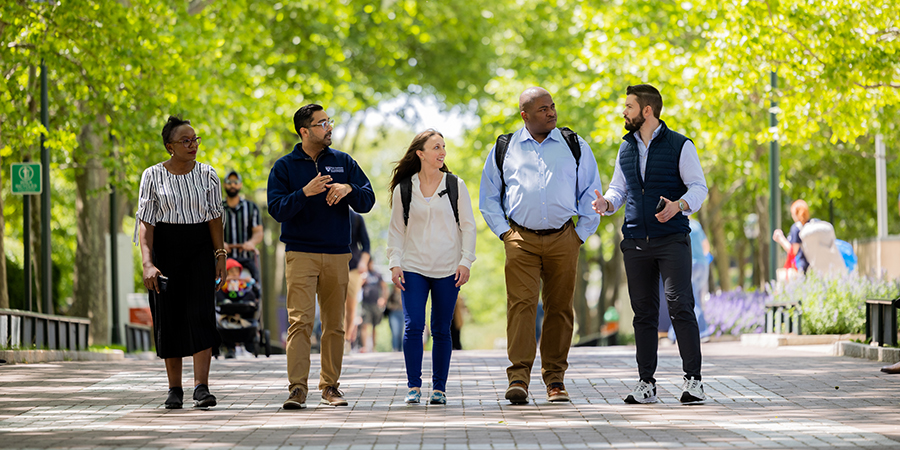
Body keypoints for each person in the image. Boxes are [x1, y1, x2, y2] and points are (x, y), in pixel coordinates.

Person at [480, 87, 602, 404]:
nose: (551, 112)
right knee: (520, 307)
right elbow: (489, 197)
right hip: (520, 239)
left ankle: (555, 380)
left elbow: (592, 192)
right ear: (525, 115)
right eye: (543, 109)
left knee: (560, 309)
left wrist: (581, 234)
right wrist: (505, 234)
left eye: (552, 106)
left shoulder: (574, 145)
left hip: (565, 238)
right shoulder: (504, 148)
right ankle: (518, 378)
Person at [592, 84, 709, 404]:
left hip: (671, 238)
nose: (623, 112)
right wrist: (608, 204)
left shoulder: (680, 145)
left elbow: (699, 188)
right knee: (643, 313)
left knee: (679, 305)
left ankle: (693, 381)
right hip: (635, 240)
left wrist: (679, 205)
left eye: (629, 106)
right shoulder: (626, 147)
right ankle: (646, 384)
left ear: (647, 110)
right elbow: (619, 189)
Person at [267, 104, 375, 410]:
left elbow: (368, 199)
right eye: (321, 123)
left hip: (338, 254)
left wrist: (348, 188)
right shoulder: (284, 167)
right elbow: (277, 209)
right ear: (305, 131)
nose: (329, 127)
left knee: (334, 324)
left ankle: (330, 387)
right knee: (299, 322)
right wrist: (305, 192)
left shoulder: (343, 161)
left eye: (328, 121)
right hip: (300, 253)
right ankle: (297, 389)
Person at [135, 115, 225, 409]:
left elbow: (214, 217)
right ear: (169, 146)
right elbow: (145, 223)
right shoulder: (151, 176)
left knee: (201, 314)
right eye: (185, 141)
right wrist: (148, 263)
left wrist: (220, 255)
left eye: (195, 139)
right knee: (168, 315)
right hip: (165, 248)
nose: (192, 145)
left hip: (199, 247)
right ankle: (175, 389)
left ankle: (202, 387)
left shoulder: (209, 174)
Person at [388, 129, 476, 405]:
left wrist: (465, 261)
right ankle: (413, 387)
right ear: (421, 153)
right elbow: (396, 230)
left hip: (448, 267)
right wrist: (394, 264)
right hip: (413, 266)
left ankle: (439, 389)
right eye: (436, 147)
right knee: (414, 326)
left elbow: (469, 226)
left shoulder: (454, 184)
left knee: (441, 329)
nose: (442, 152)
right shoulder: (404, 188)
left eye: (444, 147)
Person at [221, 170, 263, 357]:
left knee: (251, 291)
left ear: (240, 185)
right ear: (224, 185)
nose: (232, 185)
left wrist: (251, 243)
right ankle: (226, 341)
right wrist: (219, 244)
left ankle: (249, 336)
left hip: (245, 259)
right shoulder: (217, 207)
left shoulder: (251, 208)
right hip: (224, 259)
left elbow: (258, 232)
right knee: (218, 292)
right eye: (228, 182)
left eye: (235, 182)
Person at [345, 210, 370, 353]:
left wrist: (363, 262)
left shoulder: (356, 218)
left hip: (354, 269)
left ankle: (347, 340)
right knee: (336, 306)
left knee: (351, 307)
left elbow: (366, 245)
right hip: (333, 266)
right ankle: (337, 339)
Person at [773, 199, 811, 274]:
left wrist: (781, 239)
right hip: (813, 264)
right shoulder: (811, 224)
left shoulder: (796, 228)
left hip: (802, 266)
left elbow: (793, 251)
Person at [359, 259, 387, 353]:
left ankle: (373, 348)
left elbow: (384, 287)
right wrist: (362, 280)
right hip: (366, 304)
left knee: (375, 326)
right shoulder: (363, 275)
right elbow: (357, 287)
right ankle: (365, 347)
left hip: (376, 304)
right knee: (364, 325)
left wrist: (383, 298)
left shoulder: (377, 275)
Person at [385, 285, 404, 352]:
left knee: (401, 332)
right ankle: (395, 348)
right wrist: (393, 307)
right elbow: (388, 304)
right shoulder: (392, 294)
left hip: (402, 313)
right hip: (394, 313)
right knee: (395, 332)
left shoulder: (403, 293)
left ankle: (400, 349)